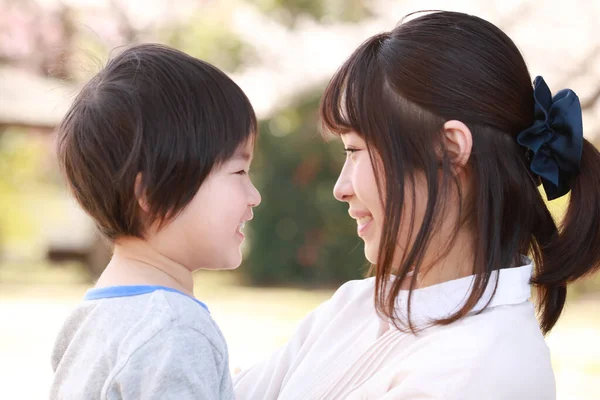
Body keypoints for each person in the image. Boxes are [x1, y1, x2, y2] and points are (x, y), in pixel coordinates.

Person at [234, 11, 600, 399]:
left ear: (450, 149)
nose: (341, 188)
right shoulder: (358, 305)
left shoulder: (486, 366)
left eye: (355, 149)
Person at [50, 43, 261, 399]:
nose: (254, 195)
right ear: (151, 191)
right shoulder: (174, 330)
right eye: (239, 170)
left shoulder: (90, 319)